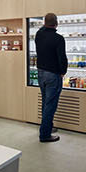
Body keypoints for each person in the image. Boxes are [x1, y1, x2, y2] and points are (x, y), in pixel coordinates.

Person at [34, 12, 68, 142]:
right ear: (56, 23)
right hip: (53, 75)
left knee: (45, 102)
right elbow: (62, 58)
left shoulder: (39, 35)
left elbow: (43, 28)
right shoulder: (58, 38)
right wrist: (63, 71)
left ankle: (47, 127)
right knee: (50, 105)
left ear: (44, 23)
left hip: (41, 73)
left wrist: (46, 25)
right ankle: (45, 135)